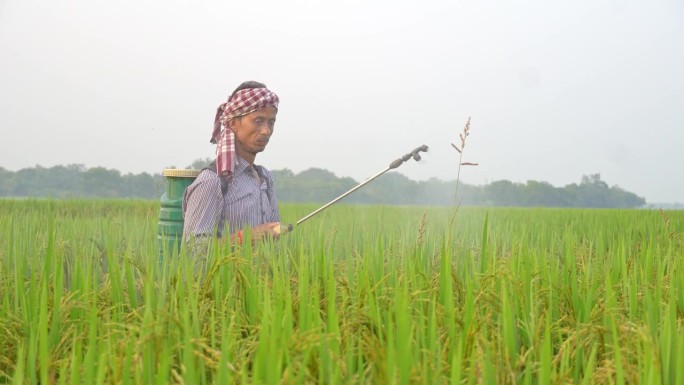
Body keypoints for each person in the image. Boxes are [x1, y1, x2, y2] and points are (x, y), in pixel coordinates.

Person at [182, 81, 283, 249]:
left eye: (271, 122)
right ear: (233, 123)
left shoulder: (265, 178)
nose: (266, 131)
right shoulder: (212, 181)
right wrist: (246, 238)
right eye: (258, 121)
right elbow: (194, 252)